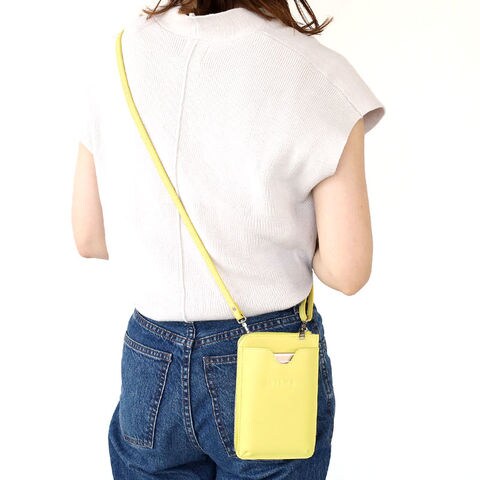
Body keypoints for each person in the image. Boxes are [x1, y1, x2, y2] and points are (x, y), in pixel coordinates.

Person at [71, 1, 385, 478]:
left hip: (149, 357)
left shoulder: (118, 55)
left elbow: (90, 236)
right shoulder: (320, 76)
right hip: (269, 357)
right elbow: (347, 271)